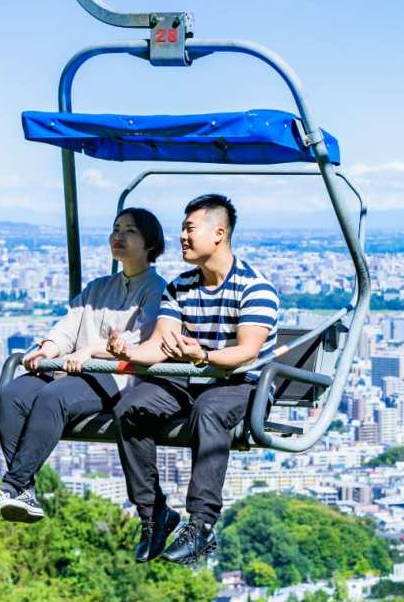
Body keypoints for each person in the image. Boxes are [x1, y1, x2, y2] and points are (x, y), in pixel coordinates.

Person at [108, 194, 280, 565]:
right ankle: (153, 513)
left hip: (242, 383)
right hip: (190, 378)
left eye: (190, 229)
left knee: (208, 411)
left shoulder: (255, 289)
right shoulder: (180, 287)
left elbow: (246, 352)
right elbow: (160, 344)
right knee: (131, 407)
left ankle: (201, 524)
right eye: (183, 229)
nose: (182, 237)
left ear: (219, 233)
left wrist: (201, 356)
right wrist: (127, 353)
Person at [0, 208, 167, 524]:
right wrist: (48, 348)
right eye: (116, 228)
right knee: (12, 395)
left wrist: (92, 351)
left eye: (130, 231)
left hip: (115, 376)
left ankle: (11, 487)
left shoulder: (157, 290)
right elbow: (69, 325)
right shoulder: (99, 287)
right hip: (71, 368)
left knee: (53, 397)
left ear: (149, 243)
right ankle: (24, 490)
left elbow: (141, 339)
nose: (118, 236)